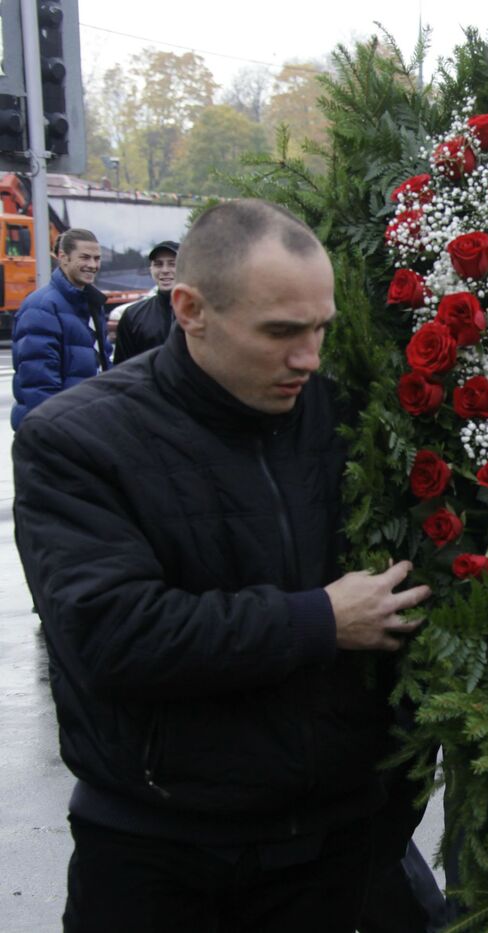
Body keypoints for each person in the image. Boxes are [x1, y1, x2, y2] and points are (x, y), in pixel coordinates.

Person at [13, 199, 436, 932]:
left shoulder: (345, 420)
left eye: (320, 329)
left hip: (325, 848)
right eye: (280, 332)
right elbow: (111, 633)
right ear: (190, 308)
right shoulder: (78, 441)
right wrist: (320, 619)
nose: (308, 356)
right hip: (160, 851)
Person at [10, 228, 110, 428]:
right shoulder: (42, 306)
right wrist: (57, 431)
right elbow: (39, 383)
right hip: (56, 431)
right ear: (63, 258)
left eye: (97, 259)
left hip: (83, 424)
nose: (92, 265)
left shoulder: (92, 304)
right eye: (85, 258)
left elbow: (102, 365)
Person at [113, 240, 179, 364]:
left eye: (172, 264)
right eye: (158, 264)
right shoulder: (132, 315)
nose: (165, 270)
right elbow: (122, 370)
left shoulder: (202, 313)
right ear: (151, 268)